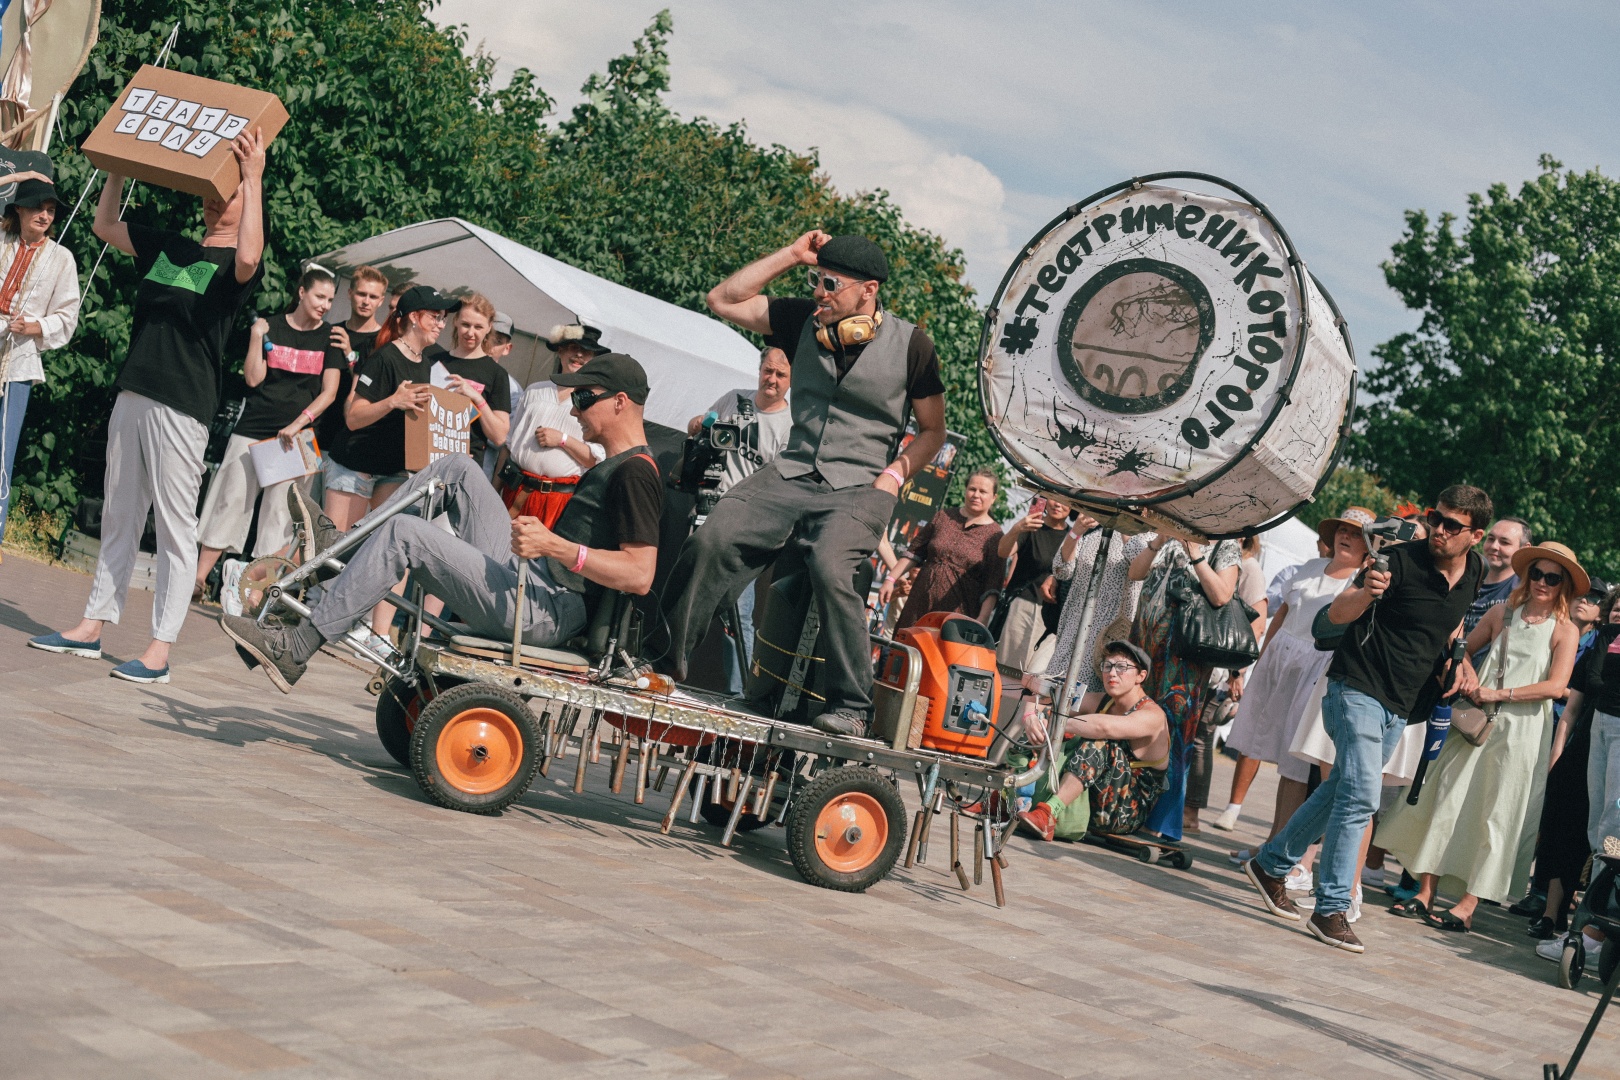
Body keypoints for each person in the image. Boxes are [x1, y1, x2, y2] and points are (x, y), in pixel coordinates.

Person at [221, 353, 663, 689]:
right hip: (534, 584)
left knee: (406, 534)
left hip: (547, 609)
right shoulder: (618, 464)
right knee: (457, 467)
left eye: (584, 398)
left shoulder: (635, 473)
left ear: (620, 403)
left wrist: (556, 547)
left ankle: (295, 649)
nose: (574, 409)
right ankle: (337, 545)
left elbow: (640, 575)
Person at [663, 231, 949, 736]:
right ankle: (663, 662)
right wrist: (793, 255)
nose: (820, 292)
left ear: (868, 290)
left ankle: (852, 706)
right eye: (816, 280)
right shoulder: (801, 321)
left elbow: (933, 431)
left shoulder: (913, 347)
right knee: (711, 537)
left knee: (829, 565)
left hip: (862, 485)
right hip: (792, 471)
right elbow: (722, 299)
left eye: (831, 284)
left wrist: (895, 473)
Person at [28, 130, 266, 683]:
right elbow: (104, 225)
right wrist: (117, 165)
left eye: (226, 192)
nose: (214, 198)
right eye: (212, 189)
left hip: (184, 407)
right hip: (134, 392)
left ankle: (159, 650)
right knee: (119, 513)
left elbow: (251, 252)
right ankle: (92, 626)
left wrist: (252, 176)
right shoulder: (172, 247)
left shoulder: (236, 263)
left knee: (175, 527)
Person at [1242, 489, 1491, 954]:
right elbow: (1334, 616)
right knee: (1361, 793)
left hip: (1404, 702)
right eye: (1437, 518)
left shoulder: (1473, 571)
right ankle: (1331, 906)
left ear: (1475, 536)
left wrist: (1461, 657)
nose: (1439, 529)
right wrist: (1363, 592)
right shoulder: (1396, 562)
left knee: (1342, 789)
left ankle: (1270, 863)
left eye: (1453, 525)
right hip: (1355, 686)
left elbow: (1453, 624)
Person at [1377, 542, 1582, 932]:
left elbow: (1557, 686)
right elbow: (1462, 649)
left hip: (1522, 731)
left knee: (1498, 813)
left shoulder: (1566, 629)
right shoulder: (1502, 612)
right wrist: (1469, 674)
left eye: (1552, 578)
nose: (1541, 582)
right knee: (1446, 797)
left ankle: (1468, 905)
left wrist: (1497, 693)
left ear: (1564, 586)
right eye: (1535, 573)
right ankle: (1425, 892)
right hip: (1473, 721)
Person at [1215, 508, 1375, 834]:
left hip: (1317, 668)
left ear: (1369, 544)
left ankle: (1279, 843)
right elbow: (1283, 614)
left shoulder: (1359, 583)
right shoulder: (1309, 567)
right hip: (1281, 659)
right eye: (1342, 529)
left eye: (1356, 533)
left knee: (1297, 763)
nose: (1346, 536)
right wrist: (1262, 661)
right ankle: (1267, 838)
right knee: (1265, 741)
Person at [194, 265, 344, 595]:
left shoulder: (329, 337)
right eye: (320, 296)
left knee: (279, 517)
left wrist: (298, 423)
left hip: (300, 438)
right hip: (254, 427)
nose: (325, 304)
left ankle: (254, 592)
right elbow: (252, 379)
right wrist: (255, 336)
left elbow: (329, 393)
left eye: (330, 300)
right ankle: (199, 578)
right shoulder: (270, 326)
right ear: (302, 293)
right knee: (229, 501)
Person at [686, 346, 793, 694]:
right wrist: (698, 426)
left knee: (737, 615)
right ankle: (669, 671)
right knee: (684, 601)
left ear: (791, 381)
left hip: (743, 528)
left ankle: (740, 693)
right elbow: (699, 432)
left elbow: (781, 489)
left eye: (780, 374)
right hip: (706, 510)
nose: (771, 379)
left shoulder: (789, 427)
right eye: (767, 370)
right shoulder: (734, 398)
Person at [1127, 532, 1243, 843]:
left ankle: (1162, 821)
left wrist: (1196, 555)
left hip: (1184, 656)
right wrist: (1159, 540)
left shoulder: (1225, 544)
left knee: (1174, 733)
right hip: (1145, 646)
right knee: (1135, 723)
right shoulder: (1166, 535)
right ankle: (1126, 809)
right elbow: (1135, 573)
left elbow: (1222, 595)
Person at [1526, 584, 1619, 940]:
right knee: (1574, 831)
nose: (1617, 612)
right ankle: (1560, 918)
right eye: (1615, 607)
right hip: (1586, 744)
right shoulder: (1600, 645)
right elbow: (1573, 709)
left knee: (1610, 833)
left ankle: (1595, 926)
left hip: (1612, 745)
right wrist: (1556, 755)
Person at [1014, 640, 1171, 840]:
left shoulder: (1153, 715)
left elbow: (1104, 727)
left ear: (1141, 676)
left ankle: (1048, 813)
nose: (1112, 673)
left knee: (1098, 741)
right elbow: (1051, 702)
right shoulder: (1102, 700)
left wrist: (1059, 725)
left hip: (1122, 813)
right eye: (1108, 666)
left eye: (1122, 667)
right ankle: (1008, 800)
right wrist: (1032, 718)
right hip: (1094, 797)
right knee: (1038, 725)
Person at [0, 174, 81, 548]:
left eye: (51, 211)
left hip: (16, 360)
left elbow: (67, 316)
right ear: (19, 209)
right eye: (38, 207)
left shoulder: (61, 259)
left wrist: (35, 326)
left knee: (2, 451)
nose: (45, 216)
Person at [1185, 534, 1269, 834]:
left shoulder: (1248, 566)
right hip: (1196, 652)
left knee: (1201, 737)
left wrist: (1238, 672)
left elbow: (1257, 621)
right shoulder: (1213, 551)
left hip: (1217, 660)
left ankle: (1191, 812)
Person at [1026, 516, 1152, 712]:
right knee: (1049, 696)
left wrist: (1124, 525)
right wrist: (1075, 531)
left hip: (1106, 635)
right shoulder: (1096, 535)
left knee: (1080, 706)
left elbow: (1138, 564)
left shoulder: (1149, 539)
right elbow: (1061, 570)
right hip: (1073, 628)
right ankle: (1044, 736)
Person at [498, 323, 611, 528]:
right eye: (572, 347)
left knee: (540, 558)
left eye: (585, 351)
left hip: (559, 502)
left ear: (593, 358)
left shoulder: (595, 401)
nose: (578, 355)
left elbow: (595, 461)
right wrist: (493, 490)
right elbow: (508, 446)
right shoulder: (534, 391)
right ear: (560, 350)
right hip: (515, 491)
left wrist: (563, 440)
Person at [881, 469, 1004, 631]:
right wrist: (890, 579)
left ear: (993, 497)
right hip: (919, 602)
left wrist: (983, 618)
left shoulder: (995, 536)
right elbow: (914, 552)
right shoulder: (943, 516)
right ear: (966, 490)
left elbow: (992, 584)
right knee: (906, 650)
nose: (976, 495)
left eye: (983, 492)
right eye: (972, 489)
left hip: (956, 614)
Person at [316, 265, 387, 528]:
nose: (366, 301)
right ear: (349, 293)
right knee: (308, 522)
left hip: (354, 448)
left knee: (336, 529)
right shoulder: (331, 331)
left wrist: (350, 354)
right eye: (361, 294)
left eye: (372, 296)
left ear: (382, 300)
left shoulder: (383, 342)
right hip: (320, 436)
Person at [993, 495, 1072, 674]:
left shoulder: (1073, 537)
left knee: (1035, 676)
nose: (1058, 504)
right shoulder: (1031, 527)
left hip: (1052, 618)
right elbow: (1003, 551)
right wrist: (1016, 529)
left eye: (1065, 501)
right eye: (1054, 498)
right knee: (1009, 670)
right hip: (1022, 607)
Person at [433, 292, 510, 473]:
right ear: (455, 322)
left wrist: (477, 398)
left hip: (464, 468)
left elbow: (499, 437)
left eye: (478, 327)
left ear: (489, 327)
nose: (470, 333)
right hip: (427, 460)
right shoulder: (433, 361)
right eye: (465, 325)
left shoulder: (497, 374)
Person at [1466, 518, 1532, 662]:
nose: (1494, 546)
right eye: (1490, 539)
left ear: (1524, 549)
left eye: (1504, 542)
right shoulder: (1465, 578)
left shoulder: (1524, 594)